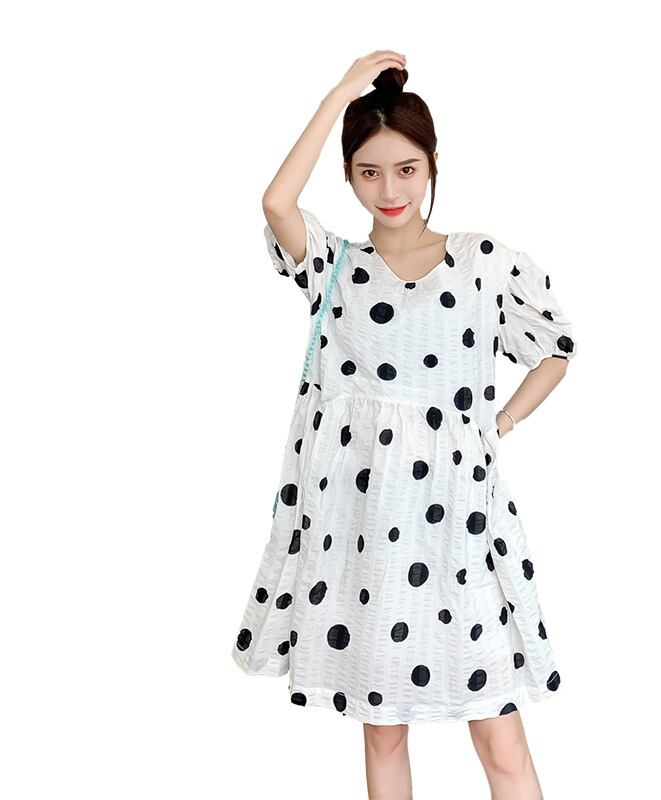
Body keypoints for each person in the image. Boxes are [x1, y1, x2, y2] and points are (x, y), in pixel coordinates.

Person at [232, 50, 578, 800]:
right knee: (384, 733)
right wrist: (340, 92)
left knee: (500, 733)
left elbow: (556, 347)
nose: (389, 190)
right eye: (368, 172)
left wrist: (501, 421)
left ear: (432, 166)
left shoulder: (484, 262)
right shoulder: (334, 267)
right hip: (365, 532)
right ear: (348, 175)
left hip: (460, 521)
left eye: (406, 169)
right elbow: (276, 203)